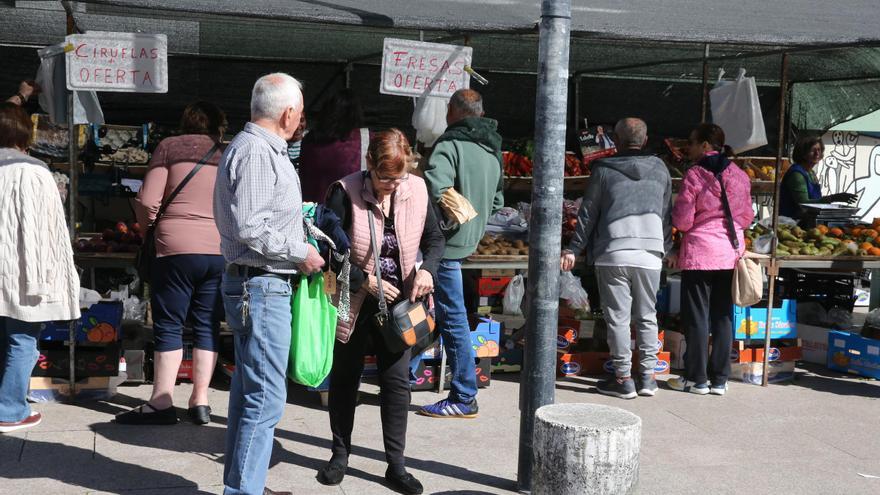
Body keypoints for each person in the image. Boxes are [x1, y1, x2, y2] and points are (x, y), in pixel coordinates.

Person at [213, 73, 325, 495]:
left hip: (254, 285)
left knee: (249, 395)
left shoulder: (256, 148)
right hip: (260, 287)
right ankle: (243, 490)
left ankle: (245, 485)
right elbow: (251, 227)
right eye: (299, 112)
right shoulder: (259, 152)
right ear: (289, 112)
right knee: (263, 400)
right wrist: (301, 252)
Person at [317, 129, 444, 495]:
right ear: (369, 165)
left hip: (401, 306)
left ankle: (397, 465)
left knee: (396, 383)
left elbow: (435, 240)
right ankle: (339, 455)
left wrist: (426, 270)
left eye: (399, 177)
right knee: (344, 378)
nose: (392, 184)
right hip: (352, 298)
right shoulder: (343, 192)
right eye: (384, 177)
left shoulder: (417, 190)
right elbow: (330, 254)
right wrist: (364, 281)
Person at [116, 102, 227, 426]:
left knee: (169, 324)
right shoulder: (227, 153)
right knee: (207, 323)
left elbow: (148, 200)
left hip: (174, 248)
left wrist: (150, 228)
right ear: (217, 125)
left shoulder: (169, 147)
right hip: (218, 248)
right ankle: (201, 402)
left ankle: (162, 402)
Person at [561, 118, 672, 399]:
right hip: (650, 252)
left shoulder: (603, 169)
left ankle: (623, 379)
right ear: (645, 140)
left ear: (616, 141)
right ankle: (648, 378)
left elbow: (588, 214)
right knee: (647, 316)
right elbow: (666, 213)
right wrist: (667, 248)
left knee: (619, 319)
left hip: (613, 251)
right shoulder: (660, 168)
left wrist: (574, 248)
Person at [419, 89, 504, 419]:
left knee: (452, 319)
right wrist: (474, 218)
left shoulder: (449, 145)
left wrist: (458, 218)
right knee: (451, 314)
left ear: (453, 113)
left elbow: (437, 188)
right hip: (473, 242)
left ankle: (464, 395)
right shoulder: (492, 148)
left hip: (447, 245)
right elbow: (497, 202)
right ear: (480, 114)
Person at [0, 103, 80, 433]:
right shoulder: (34, 171)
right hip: (22, 269)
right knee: (22, 340)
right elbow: (50, 230)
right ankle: (10, 409)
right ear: (24, 133)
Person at [668, 123, 754, 396]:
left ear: (705, 145)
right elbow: (746, 218)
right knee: (723, 316)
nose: (688, 148)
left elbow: (682, 220)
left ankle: (697, 379)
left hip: (701, 252)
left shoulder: (694, 175)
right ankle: (720, 379)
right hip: (730, 252)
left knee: (697, 317)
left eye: (692, 143)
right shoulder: (739, 175)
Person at [299, 89, 369, 203]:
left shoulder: (310, 140)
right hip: (352, 213)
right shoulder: (366, 138)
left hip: (313, 213)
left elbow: (303, 179)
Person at [779, 135, 858, 220]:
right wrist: (833, 198)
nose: (817, 153)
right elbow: (804, 204)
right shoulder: (797, 174)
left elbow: (816, 201)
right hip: (791, 222)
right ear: (803, 153)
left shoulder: (810, 173)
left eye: (819, 150)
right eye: (813, 150)